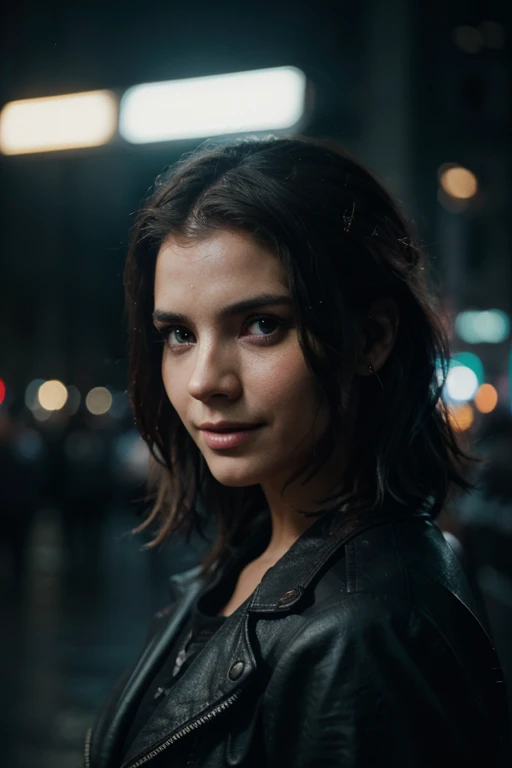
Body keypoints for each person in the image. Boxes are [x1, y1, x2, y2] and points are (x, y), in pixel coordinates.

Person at [85, 136, 511, 768]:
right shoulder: (250, 554)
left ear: (371, 337)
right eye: (178, 333)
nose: (206, 380)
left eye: (261, 325)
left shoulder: (364, 631)